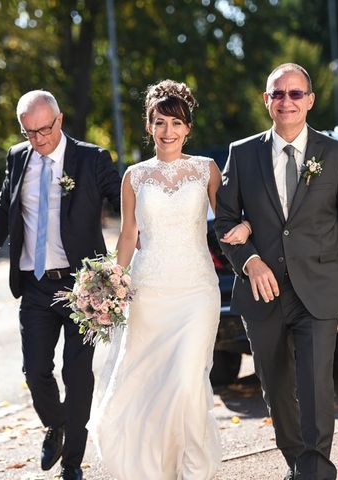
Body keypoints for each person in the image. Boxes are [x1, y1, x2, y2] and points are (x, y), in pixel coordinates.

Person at [214, 63, 338, 480]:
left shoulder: (336, 154)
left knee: (314, 386)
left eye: (295, 94)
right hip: (263, 291)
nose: (286, 101)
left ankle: (314, 472)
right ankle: (299, 463)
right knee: (275, 389)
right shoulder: (243, 153)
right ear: (266, 100)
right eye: (278, 94)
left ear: (309, 100)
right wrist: (250, 261)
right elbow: (223, 221)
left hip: (320, 286)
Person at [88, 80, 251, 479]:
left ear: (188, 128)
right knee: (144, 386)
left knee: (184, 384)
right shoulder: (134, 177)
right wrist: (109, 285)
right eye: (160, 123)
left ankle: (193, 471)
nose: (168, 132)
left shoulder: (206, 170)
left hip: (196, 292)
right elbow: (128, 237)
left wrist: (245, 226)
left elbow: (227, 217)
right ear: (149, 126)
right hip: (147, 294)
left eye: (176, 123)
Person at [0, 90, 121, 480]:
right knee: (35, 371)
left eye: (44, 130)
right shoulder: (18, 158)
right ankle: (56, 424)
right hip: (34, 284)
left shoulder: (92, 158)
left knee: (77, 373)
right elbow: (4, 209)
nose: (38, 140)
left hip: (84, 286)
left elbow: (125, 202)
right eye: (29, 132)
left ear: (60, 120)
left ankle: (72, 463)